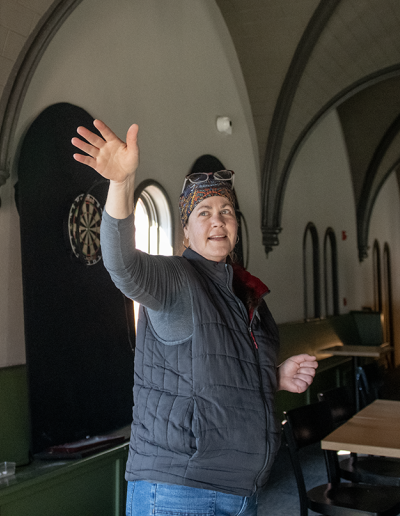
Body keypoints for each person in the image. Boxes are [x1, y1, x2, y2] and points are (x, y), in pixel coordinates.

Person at [72, 119, 318, 516]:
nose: (217, 220)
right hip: (179, 490)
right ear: (186, 232)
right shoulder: (177, 279)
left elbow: (213, 375)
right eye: (203, 212)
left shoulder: (247, 293)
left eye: (226, 211)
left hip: (241, 490)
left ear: (237, 227)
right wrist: (121, 184)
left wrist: (274, 375)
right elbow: (122, 266)